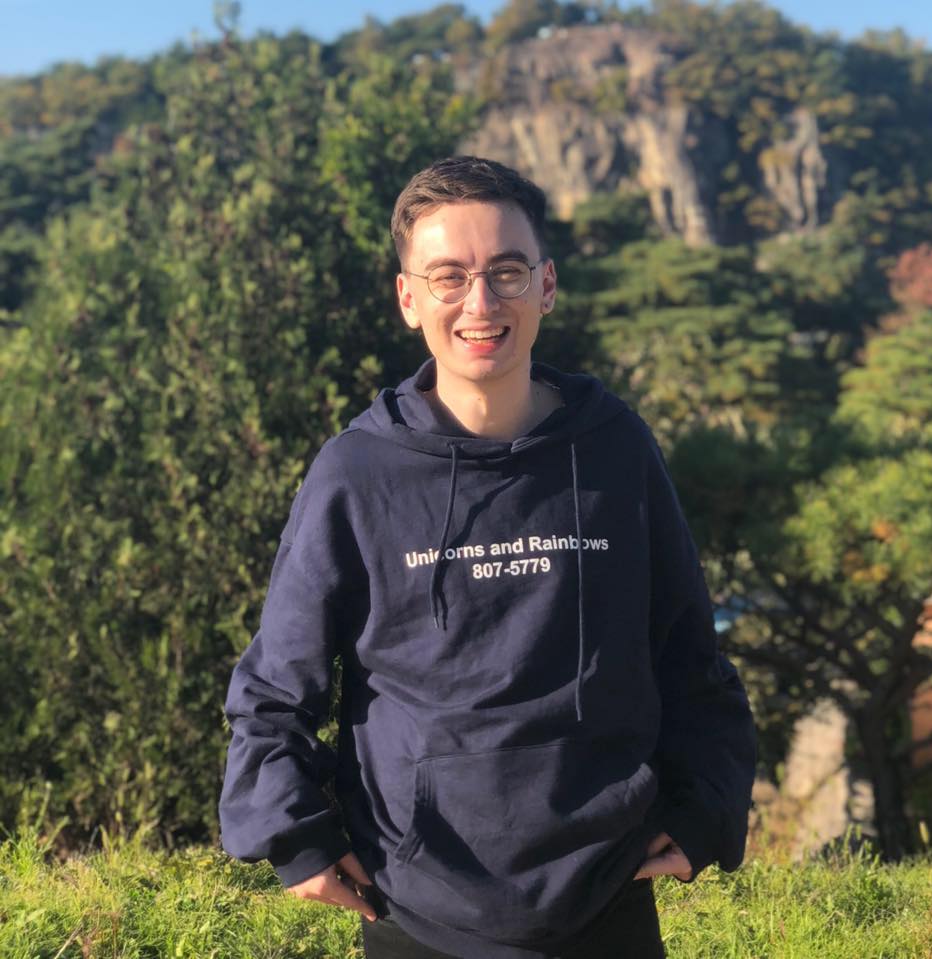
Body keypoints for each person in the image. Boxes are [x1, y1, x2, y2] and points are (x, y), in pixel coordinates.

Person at [218, 156, 757, 959]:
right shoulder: (357, 473)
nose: (480, 303)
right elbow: (275, 683)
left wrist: (706, 808)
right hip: (416, 906)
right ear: (409, 298)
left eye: (506, 272)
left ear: (546, 285)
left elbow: (688, 649)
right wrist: (292, 833)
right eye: (449, 277)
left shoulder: (614, 448)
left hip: (607, 893)